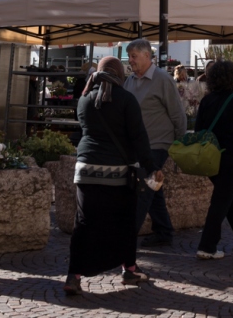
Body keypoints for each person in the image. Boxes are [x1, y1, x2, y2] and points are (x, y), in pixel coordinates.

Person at [66, 56, 160, 294]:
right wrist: (151, 166)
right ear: (119, 73)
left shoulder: (85, 98)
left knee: (84, 223)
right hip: (118, 173)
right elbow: (139, 136)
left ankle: (73, 276)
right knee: (124, 221)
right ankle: (129, 269)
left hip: (85, 170)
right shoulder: (126, 99)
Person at [122, 38, 186, 247]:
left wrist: (179, 142)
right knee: (153, 188)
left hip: (158, 143)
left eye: (134, 56)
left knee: (144, 188)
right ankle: (163, 231)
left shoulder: (162, 79)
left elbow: (177, 113)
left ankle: (126, 237)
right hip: (137, 145)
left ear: (147, 56)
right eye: (129, 56)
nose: (130, 60)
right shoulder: (130, 80)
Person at [194, 59, 233, 260]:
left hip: (210, 157)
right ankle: (207, 246)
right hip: (231, 156)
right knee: (221, 200)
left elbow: (199, 129)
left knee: (229, 198)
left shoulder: (206, 101)